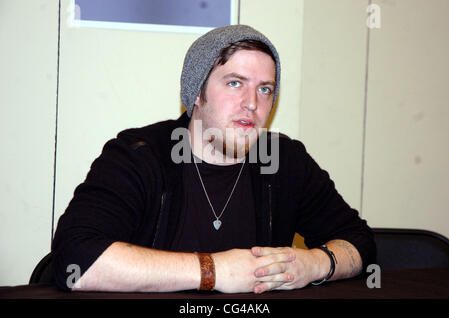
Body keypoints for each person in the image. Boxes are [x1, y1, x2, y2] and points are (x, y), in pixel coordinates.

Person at [52, 24, 376, 294]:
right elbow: (75, 259)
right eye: (235, 83)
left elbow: (360, 242)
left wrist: (313, 264)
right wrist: (213, 270)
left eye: (265, 89)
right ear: (196, 92)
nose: (252, 102)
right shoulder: (139, 155)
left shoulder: (283, 160)